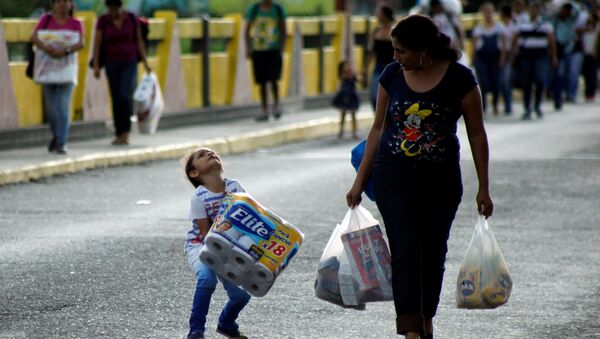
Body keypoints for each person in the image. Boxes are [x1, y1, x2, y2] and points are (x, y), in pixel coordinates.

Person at [346, 15, 493, 339]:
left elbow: (477, 135)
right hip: (393, 176)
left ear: (423, 51)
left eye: (401, 51)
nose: (395, 57)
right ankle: (411, 327)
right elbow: (377, 128)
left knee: (433, 251)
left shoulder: (460, 79)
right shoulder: (392, 75)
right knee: (404, 250)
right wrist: (359, 182)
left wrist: (484, 187)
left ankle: (426, 318)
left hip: (440, 180)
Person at [183, 147, 251, 339]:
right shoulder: (199, 197)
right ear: (194, 173)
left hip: (229, 247)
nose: (210, 153)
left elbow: (249, 217)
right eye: (202, 155)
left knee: (241, 295)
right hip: (200, 245)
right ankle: (196, 331)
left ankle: (227, 323)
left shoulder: (236, 187)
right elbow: (205, 234)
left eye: (212, 152)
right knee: (207, 278)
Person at [91, 0, 151, 145]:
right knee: (116, 96)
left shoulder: (131, 18)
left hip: (129, 62)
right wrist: (97, 65)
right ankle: (119, 132)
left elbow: (139, 41)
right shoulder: (103, 21)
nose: (113, 11)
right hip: (111, 62)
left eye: (115, 8)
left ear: (120, 6)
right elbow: (97, 42)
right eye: (110, 8)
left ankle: (126, 131)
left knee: (124, 94)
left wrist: (145, 63)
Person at [30, 0, 84, 154]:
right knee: (51, 109)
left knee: (62, 107)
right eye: (59, 1)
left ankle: (61, 141)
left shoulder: (75, 23)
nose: (62, 5)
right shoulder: (45, 20)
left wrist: (65, 50)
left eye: (65, 1)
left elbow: (81, 43)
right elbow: (33, 37)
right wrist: (46, 48)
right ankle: (56, 135)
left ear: (70, 4)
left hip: (67, 68)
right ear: (53, 4)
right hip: (47, 69)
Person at [512, 0, 557, 119]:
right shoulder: (522, 23)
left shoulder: (545, 24)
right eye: (532, 8)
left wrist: (553, 57)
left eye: (536, 8)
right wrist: (512, 56)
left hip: (540, 56)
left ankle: (537, 105)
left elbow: (551, 42)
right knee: (526, 82)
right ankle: (527, 108)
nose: (534, 10)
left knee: (540, 80)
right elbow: (515, 39)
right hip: (526, 55)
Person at [244, 0, 287, 122]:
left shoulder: (277, 9)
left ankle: (276, 105)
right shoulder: (255, 9)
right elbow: (247, 30)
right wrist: (249, 47)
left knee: (274, 79)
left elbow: (283, 29)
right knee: (261, 81)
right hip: (258, 50)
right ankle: (264, 109)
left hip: (274, 49)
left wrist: (281, 47)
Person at [472, 2, 506, 115]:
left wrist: (502, 58)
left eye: (489, 11)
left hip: (495, 58)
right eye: (485, 11)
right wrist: (474, 60)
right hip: (482, 58)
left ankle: (495, 104)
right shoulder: (478, 28)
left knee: (496, 82)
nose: (488, 14)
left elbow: (503, 44)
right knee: (483, 83)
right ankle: (484, 107)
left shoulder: (499, 27)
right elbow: (475, 46)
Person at [364, 5, 395, 112]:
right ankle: (378, 120)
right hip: (379, 67)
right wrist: (365, 68)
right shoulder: (375, 31)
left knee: (391, 96)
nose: (377, 15)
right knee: (374, 96)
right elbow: (370, 52)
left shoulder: (395, 31)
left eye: (379, 13)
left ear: (386, 15)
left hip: (393, 67)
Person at [551, 2, 580, 110]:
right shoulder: (555, 20)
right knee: (557, 75)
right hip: (554, 49)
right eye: (563, 9)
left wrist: (569, 2)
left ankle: (563, 96)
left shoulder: (570, 21)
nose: (564, 12)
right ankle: (556, 97)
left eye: (567, 10)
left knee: (564, 75)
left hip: (565, 50)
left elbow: (577, 11)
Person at [333, 60, 361, 139]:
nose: (348, 67)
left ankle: (354, 132)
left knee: (353, 114)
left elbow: (359, 80)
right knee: (343, 114)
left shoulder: (352, 75)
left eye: (348, 66)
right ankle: (341, 131)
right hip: (345, 96)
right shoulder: (345, 76)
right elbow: (345, 79)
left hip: (352, 96)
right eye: (346, 66)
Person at [499, 4, 518, 115]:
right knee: (503, 81)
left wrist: (510, 57)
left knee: (507, 80)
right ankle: (507, 104)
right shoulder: (501, 25)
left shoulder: (513, 26)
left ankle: (508, 105)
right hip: (503, 54)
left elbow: (514, 43)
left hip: (510, 55)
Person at [581, 13, 599, 101]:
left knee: (592, 74)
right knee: (586, 74)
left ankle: (591, 92)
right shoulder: (585, 31)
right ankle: (587, 92)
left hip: (594, 55)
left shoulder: (597, 31)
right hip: (585, 55)